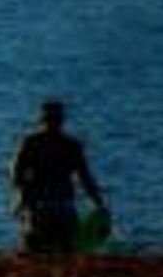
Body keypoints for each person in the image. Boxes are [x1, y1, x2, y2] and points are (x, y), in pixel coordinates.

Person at [9, 98, 109, 256]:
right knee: (67, 253)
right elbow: (85, 178)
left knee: (34, 252)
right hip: (64, 207)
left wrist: (21, 197)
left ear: (41, 120)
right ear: (62, 120)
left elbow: (15, 173)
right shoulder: (71, 145)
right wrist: (100, 204)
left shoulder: (31, 142)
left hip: (38, 207)